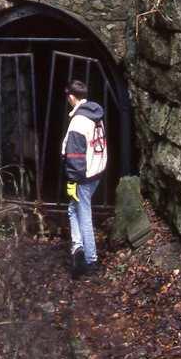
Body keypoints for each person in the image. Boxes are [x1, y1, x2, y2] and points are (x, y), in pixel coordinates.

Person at [62, 79, 107, 278]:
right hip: (96, 171)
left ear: (72, 97)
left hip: (83, 176)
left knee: (83, 214)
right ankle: (77, 248)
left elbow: (75, 155)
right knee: (73, 209)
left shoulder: (78, 122)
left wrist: (72, 180)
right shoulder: (95, 115)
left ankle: (90, 261)